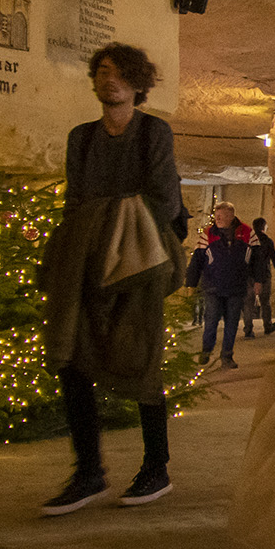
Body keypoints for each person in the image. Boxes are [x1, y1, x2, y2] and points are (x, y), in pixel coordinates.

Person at [39, 43, 187, 517]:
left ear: (138, 84)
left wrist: (120, 231)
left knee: (141, 360)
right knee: (73, 360)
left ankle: (156, 467)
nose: (110, 80)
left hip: (137, 263)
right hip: (85, 262)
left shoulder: (152, 133)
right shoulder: (81, 138)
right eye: (103, 71)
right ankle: (88, 472)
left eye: (120, 73)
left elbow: (165, 198)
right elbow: (74, 201)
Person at [187, 201, 255, 367]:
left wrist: (258, 280)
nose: (217, 218)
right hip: (213, 286)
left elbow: (257, 259)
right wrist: (191, 283)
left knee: (232, 323)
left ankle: (227, 356)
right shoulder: (208, 234)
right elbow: (197, 260)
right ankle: (206, 350)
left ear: (231, 215)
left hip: (236, 287)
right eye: (216, 215)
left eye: (221, 215)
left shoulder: (247, 233)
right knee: (210, 320)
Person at [247, 216, 275, 336]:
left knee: (248, 302)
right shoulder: (267, 241)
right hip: (264, 274)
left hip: (249, 275)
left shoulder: (248, 240)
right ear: (264, 227)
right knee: (265, 302)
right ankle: (267, 325)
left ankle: (248, 329)